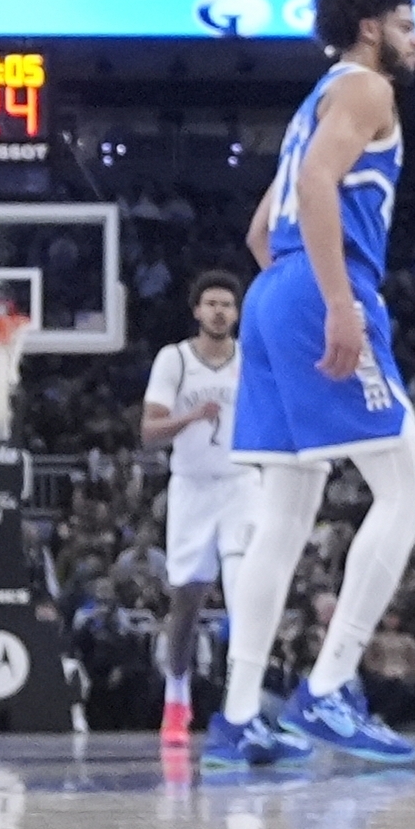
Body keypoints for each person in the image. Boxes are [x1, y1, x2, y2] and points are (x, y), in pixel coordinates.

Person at [209, 0, 415, 772]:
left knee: (286, 515)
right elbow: (313, 183)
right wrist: (340, 302)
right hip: (315, 287)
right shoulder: (366, 90)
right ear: (372, 26)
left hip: (271, 291)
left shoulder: (316, 99)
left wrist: (302, 286)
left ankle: (238, 716)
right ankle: (331, 684)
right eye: (408, 23)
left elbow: (256, 231)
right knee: (409, 492)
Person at [139, 275, 249, 746]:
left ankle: (242, 707)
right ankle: (177, 695)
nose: (220, 311)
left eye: (227, 304)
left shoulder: (251, 358)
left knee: (246, 594)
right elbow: (149, 430)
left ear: (238, 313)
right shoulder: (175, 359)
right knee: (187, 598)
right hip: (191, 487)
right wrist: (192, 416)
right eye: (212, 304)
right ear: (197, 311)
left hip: (243, 483)